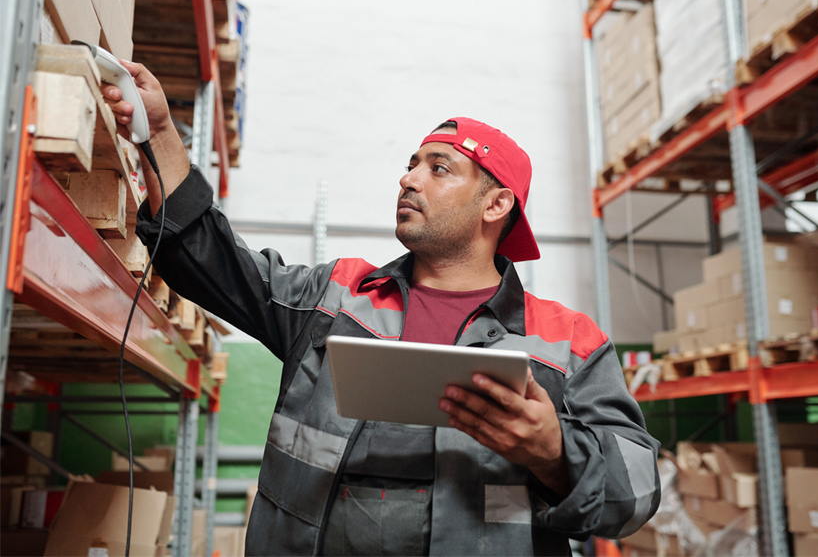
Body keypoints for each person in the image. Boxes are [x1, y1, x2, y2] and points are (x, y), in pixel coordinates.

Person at [102, 60, 661, 556]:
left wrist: (554, 452)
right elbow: (208, 259)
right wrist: (159, 132)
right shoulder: (336, 297)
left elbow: (637, 491)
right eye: (411, 163)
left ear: (497, 204)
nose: (408, 178)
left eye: (438, 169)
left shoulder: (567, 342)